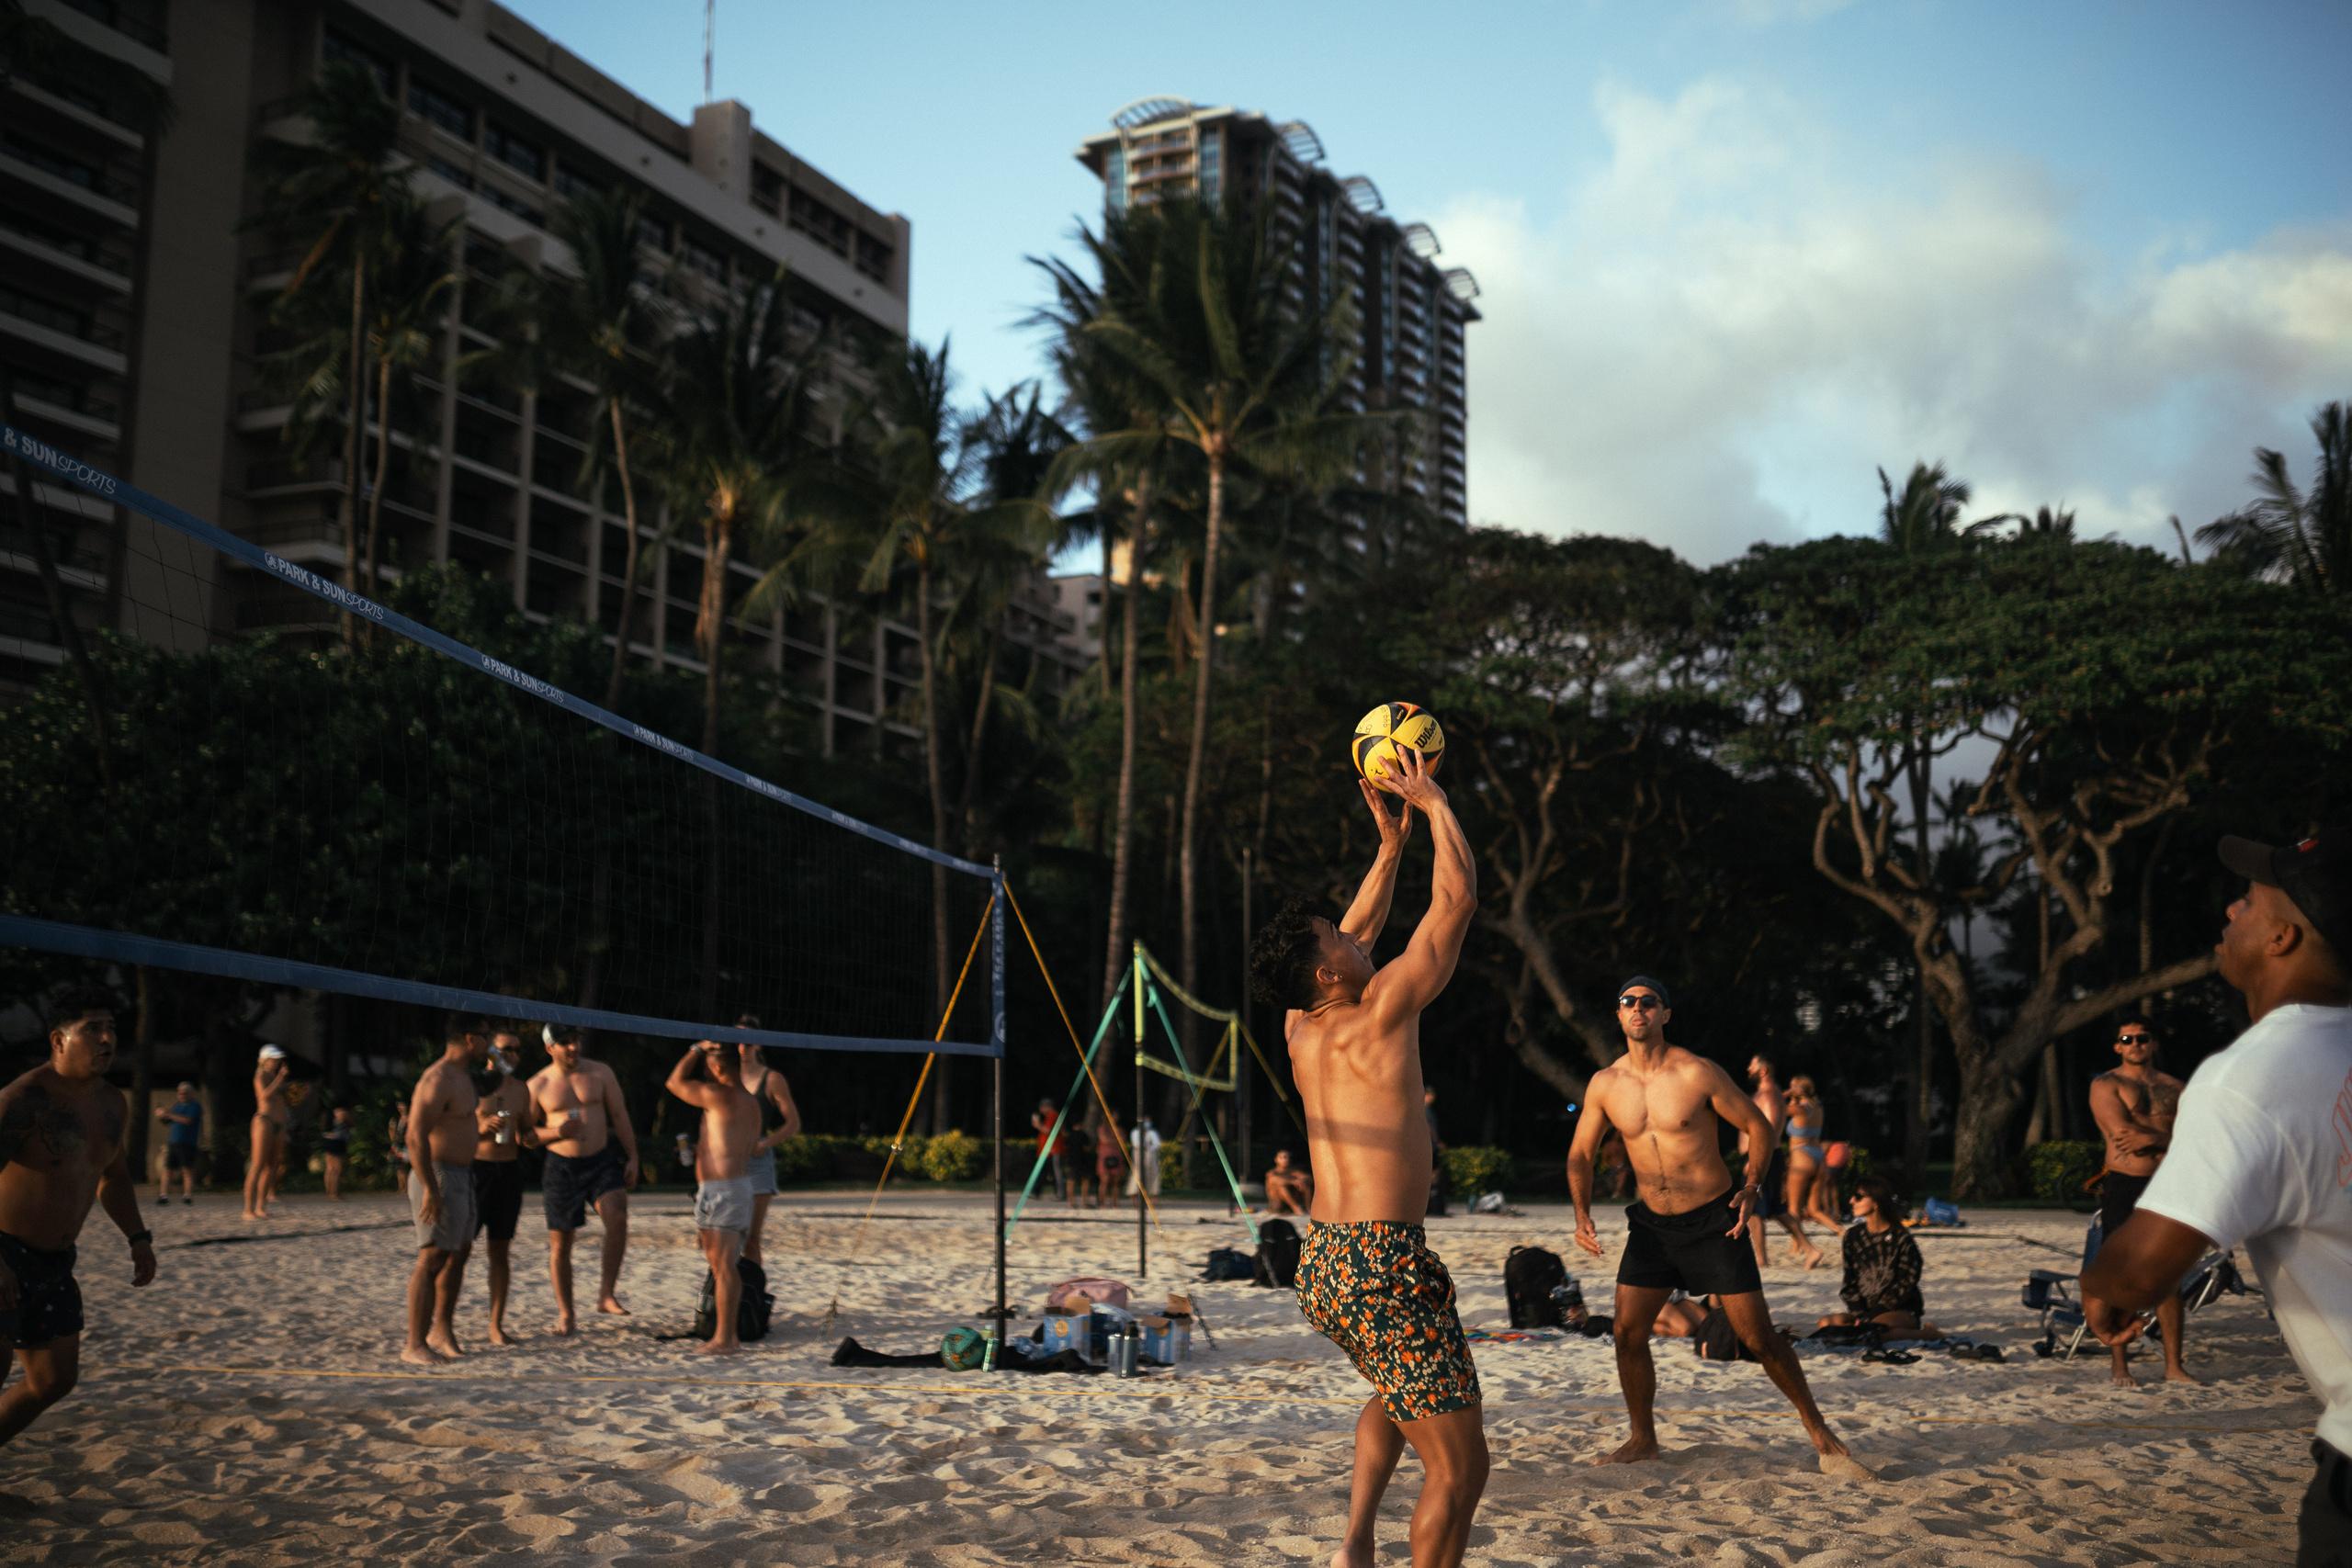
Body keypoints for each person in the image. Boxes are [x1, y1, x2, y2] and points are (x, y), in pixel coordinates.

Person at [2084, 831, 2352, 1562]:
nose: (2231, 908)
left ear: (2282, 935)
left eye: (2249, 898)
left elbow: (2139, 1274)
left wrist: (2098, 1285)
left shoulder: (2253, 1074)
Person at [1248, 751, 1487, 1568]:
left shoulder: (1299, 1027)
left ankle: (1355, 1544)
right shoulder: (1382, 1011)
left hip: (1324, 1264)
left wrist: (1389, 848)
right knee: (1460, 1468)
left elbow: (1360, 935)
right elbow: (1456, 901)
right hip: (1383, 1258)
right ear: (1328, 971)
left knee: (1395, 1391)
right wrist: (1435, 802)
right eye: (1337, 938)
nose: (1353, 934)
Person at [1567, 976, 1866, 1477]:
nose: (1637, 1008)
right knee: (1626, 1331)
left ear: (1665, 1014)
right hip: (1652, 1229)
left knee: (1760, 1338)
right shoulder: (1605, 1084)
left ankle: (1819, 1432)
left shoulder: (1696, 1073)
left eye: (1648, 1002)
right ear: (1618, 1015)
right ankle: (1643, 1439)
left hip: (1713, 1222)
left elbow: (1758, 1126)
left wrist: (1751, 1185)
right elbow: (1580, 1152)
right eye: (1628, 1002)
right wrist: (1581, 1213)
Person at [0, 989, 157, 1450]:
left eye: (111, 1029)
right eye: (93, 1029)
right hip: (4, 1250)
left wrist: (138, 1237)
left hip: (54, 1261)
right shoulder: (22, 1100)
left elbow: (115, 1177)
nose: (107, 1039)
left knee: (54, 1380)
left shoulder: (112, 1103)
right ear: (58, 1039)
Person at [2085, 1019, 2192, 1387]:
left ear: (2153, 1043)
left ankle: (2173, 1367)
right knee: (2122, 1272)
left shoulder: (2176, 1087)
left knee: (2171, 1275)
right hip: (2125, 1184)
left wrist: (2156, 1140)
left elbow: (2192, 1136)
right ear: (2117, 1047)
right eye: (2126, 1039)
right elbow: (2123, 1135)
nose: (2134, 1044)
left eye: (2141, 1038)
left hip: (2165, 1182)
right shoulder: (2107, 1084)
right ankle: (2120, 1366)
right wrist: (2168, 1137)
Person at [529, 1024, 639, 1334]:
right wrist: (556, 1132)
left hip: (601, 1161)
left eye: (575, 1040)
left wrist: (633, 1157)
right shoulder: (537, 1084)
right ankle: (567, 1313)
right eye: (564, 1043)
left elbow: (620, 1116)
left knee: (617, 1218)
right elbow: (525, 1135)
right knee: (561, 1242)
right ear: (550, 1048)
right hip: (561, 1165)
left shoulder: (600, 1072)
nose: (573, 1047)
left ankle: (606, 1294)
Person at [402, 1012, 491, 1365]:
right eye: (486, 1037)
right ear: (471, 1039)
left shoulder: (464, 1077)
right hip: (438, 1175)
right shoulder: (437, 1078)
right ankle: (414, 1344)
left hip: (463, 1175)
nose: (490, 1043)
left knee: (459, 1254)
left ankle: (441, 1329)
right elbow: (414, 1135)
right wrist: (430, 1188)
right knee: (432, 1257)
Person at [665, 1037, 762, 1356]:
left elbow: (674, 1082)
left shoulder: (719, 1094)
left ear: (717, 1066)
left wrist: (695, 1048)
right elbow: (734, 1145)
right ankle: (727, 1336)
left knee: (723, 1266)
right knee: (721, 1264)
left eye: (709, 1065)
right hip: (728, 1187)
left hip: (724, 1191)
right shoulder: (749, 1101)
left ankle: (724, 1339)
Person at [451, 1033, 534, 1348]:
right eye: (505, 1049)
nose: (511, 1054)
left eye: (517, 1049)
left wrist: (536, 1136)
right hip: (475, 1170)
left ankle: (496, 1326)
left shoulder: (520, 1089)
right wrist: (479, 1127)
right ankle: (444, 1324)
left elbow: (526, 1130)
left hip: (508, 1172)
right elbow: (450, 1128)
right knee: (459, 1251)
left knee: (500, 1252)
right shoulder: (469, 1084)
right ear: (490, 1052)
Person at [1815, 1176, 1940, 1340]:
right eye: (1853, 1196)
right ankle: (1865, 1327)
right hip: (1865, 1310)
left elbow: (1906, 1284)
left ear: (1876, 1202)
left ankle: (1928, 1334)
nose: (1852, 1201)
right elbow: (1850, 1282)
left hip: (1900, 1309)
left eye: (1858, 1197)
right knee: (1825, 1324)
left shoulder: (1901, 1239)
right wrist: (1859, 1313)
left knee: (1874, 1331)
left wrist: (1875, 1314)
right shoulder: (1852, 1236)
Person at [1744, 1056, 1826, 1269]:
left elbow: (1768, 1129)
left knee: (1756, 1208)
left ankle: (1762, 1259)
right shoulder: (1811, 1106)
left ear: (1764, 1071)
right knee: (1776, 1209)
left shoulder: (1773, 1097)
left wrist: (1754, 1160)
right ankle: (1809, 1249)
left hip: (1778, 1155)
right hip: (1808, 1153)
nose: (1748, 1068)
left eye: (1753, 1065)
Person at [736, 1026, 801, 1268]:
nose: (743, 1047)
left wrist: (765, 1143)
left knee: (752, 1238)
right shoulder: (725, 1075)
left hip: (757, 1161)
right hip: (729, 1159)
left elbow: (793, 1123)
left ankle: (753, 1296)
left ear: (759, 1044)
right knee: (726, 1236)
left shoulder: (772, 1079)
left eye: (749, 1042)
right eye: (738, 1041)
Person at [1783, 1075, 1843, 1231]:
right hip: (1818, 1155)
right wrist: (1795, 1097)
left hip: (1801, 1155)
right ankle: (1841, 1232)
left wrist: (1786, 1095)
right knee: (1814, 1209)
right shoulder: (1817, 1107)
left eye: (1792, 1087)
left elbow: (1773, 1107)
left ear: (1799, 1090)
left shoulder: (1799, 1110)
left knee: (1794, 1208)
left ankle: (1797, 1245)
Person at [243, 1044, 290, 1221]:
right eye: (274, 1058)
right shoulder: (261, 1075)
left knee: (272, 1166)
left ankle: (261, 1207)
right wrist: (279, 1078)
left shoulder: (277, 1077)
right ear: (265, 1059)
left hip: (279, 1123)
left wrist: (298, 1092)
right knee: (257, 1165)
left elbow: (284, 1100)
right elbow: (264, 1096)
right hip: (264, 1121)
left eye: (278, 1058)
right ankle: (248, 1210)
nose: (277, 1061)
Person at [153, 1082, 203, 1204]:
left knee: (187, 1170)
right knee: (168, 1169)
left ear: (191, 1093)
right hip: (174, 1142)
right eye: (180, 1092)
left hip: (187, 1143)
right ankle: (163, 1196)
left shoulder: (195, 1106)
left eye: (185, 1093)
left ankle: (187, 1196)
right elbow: (169, 1121)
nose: (182, 1095)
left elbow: (188, 1120)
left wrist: (169, 1114)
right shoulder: (177, 1106)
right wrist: (162, 1116)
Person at [1031, 1098, 1066, 1201]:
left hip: (1053, 1149)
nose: (1041, 1110)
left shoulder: (1053, 1116)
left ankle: (1060, 1193)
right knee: (1044, 1171)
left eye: (1042, 1107)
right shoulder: (1049, 1117)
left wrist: (1037, 1125)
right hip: (1047, 1150)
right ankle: (1036, 1191)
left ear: (1048, 1107)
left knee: (1055, 1172)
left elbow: (1047, 1131)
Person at [319, 1106, 355, 1201]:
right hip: (337, 1143)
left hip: (329, 1142)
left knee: (330, 1169)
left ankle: (329, 1192)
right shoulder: (341, 1115)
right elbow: (352, 1124)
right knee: (336, 1170)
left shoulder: (328, 1115)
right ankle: (333, 1193)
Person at [1263, 1148, 1314, 1215]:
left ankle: (1308, 1208)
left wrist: (1302, 1181)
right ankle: (1296, 1208)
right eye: (1281, 1158)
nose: (1284, 1159)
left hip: (1292, 1201)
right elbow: (1274, 1179)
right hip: (1277, 1204)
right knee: (1281, 1187)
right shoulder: (1272, 1173)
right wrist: (1294, 1182)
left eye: (1286, 1157)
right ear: (1276, 1160)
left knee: (1305, 1184)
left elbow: (1309, 1178)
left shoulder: (1293, 1171)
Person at [1093, 1110, 1126, 1211]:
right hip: (1105, 1155)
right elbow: (1105, 1140)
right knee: (1105, 1180)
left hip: (1116, 1155)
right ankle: (1102, 1203)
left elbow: (1122, 1141)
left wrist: (1113, 1142)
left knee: (1116, 1181)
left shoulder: (1119, 1129)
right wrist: (1116, 1141)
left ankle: (1115, 1203)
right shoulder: (1103, 1128)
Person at [1129, 1114, 1163, 1200]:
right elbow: (1136, 1144)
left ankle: (1153, 1199)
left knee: (1153, 1177)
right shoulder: (1135, 1132)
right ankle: (1135, 1199)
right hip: (1139, 1156)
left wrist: (1149, 1147)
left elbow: (1157, 1144)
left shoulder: (1152, 1133)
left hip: (1151, 1156)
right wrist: (1144, 1146)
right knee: (1137, 1177)